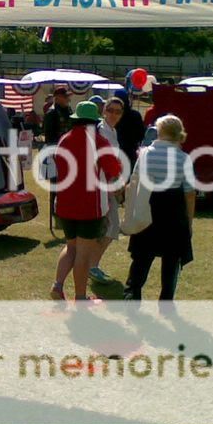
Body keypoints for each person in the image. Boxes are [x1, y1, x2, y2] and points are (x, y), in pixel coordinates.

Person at [50, 101, 122, 302]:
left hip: (64, 202)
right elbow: (114, 170)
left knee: (70, 246)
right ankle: (80, 297)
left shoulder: (64, 140)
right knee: (83, 253)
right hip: (90, 205)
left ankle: (58, 285)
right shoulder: (100, 142)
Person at [123, 115, 195, 304]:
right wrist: (189, 221)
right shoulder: (184, 158)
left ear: (160, 131)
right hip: (174, 209)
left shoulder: (145, 153)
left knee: (142, 257)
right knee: (171, 260)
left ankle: (132, 296)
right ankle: (166, 302)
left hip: (148, 205)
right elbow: (189, 193)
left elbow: (134, 181)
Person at [89, 97, 125, 284]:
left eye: (118, 111)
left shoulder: (112, 131)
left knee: (108, 227)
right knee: (110, 227)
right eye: (110, 110)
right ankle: (91, 266)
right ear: (104, 110)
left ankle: (92, 265)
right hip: (104, 185)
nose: (114, 114)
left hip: (109, 184)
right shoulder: (102, 131)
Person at [113, 89, 145, 169]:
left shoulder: (113, 115)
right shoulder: (135, 115)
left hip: (116, 151)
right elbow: (141, 135)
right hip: (131, 151)